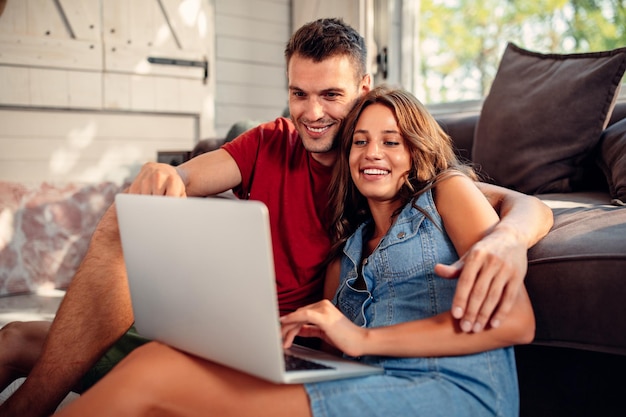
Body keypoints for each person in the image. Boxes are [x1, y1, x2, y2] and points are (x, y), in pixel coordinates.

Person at [0, 18, 552, 417]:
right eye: (299, 94)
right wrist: (163, 176)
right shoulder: (293, 165)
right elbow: (189, 177)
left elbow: (513, 202)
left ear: (363, 92)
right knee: (30, 335)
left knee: (155, 377)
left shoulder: (417, 186)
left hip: (343, 362)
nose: (312, 113)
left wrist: (506, 239)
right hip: (240, 336)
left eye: (331, 95)